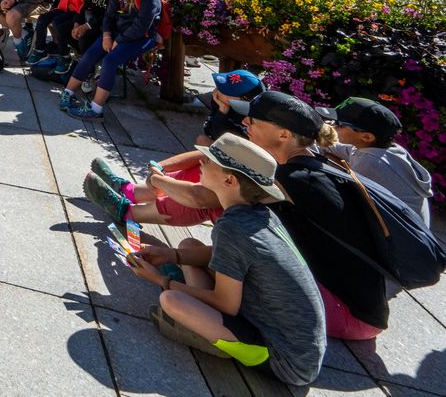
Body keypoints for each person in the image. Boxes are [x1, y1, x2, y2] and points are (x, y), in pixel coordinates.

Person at [128, 134, 326, 388]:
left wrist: (159, 279)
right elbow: (222, 255)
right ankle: (201, 317)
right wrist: (173, 256)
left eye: (209, 161)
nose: (202, 162)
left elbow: (226, 304)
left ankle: (213, 340)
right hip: (289, 335)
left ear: (229, 180)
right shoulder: (258, 213)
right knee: (187, 246)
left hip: (285, 360)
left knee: (171, 300)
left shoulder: (233, 227)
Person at [231, 91, 392, 340]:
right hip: (364, 310)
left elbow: (213, 198)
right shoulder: (314, 165)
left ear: (284, 135)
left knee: (234, 216)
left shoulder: (294, 181)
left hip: (348, 313)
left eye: (252, 120)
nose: (244, 123)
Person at [86, 70, 264, 228]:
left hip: (237, 224)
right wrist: (160, 166)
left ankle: (127, 212)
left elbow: (199, 197)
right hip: (232, 202)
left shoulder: (253, 142)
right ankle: (129, 191)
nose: (216, 92)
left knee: (208, 195)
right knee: (207, 164)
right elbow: (207, 151)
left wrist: (159, 180)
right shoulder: (246, 126)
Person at [59, 0, 161, 119]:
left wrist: (118, 41)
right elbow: (109, 16)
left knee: (109, 61)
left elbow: (140, 27)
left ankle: (96, 109)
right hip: (117, 34)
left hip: (140, 38)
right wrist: (106, 36)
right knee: (90, 54)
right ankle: (68, 93)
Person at [317, 97, 433, 225]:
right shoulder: (379, 148)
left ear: (366, 137)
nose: (332, 126)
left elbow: (343, 198)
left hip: (400, 238)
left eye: (339, 124)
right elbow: (336, 147)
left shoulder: (371, 162)